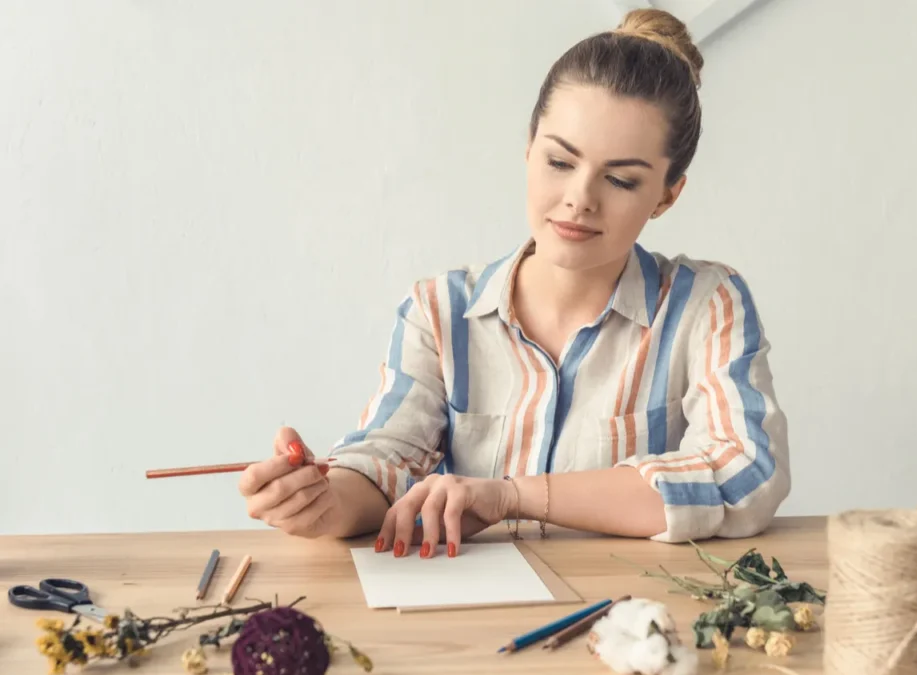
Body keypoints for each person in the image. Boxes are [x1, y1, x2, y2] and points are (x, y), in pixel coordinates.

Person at [238, 9, 790, 558]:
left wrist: (511, 497)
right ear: (528, 150)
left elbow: (745, 473)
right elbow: (385, 458)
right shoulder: (439, 311)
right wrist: (323, 500)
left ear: (668, 195)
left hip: (634, 621)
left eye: (621, 179)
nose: (580, 198)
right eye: (558, 161)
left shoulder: (705, 303)